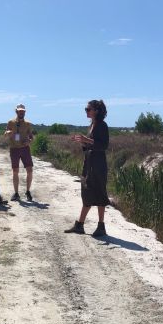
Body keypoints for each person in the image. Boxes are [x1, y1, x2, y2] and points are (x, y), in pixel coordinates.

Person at [65, 100, 110, 237]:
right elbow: (90, 145)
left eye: (88, 109)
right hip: (90, 162)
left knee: (99, 192)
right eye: (86, 109)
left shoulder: (102, 125)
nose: (86, 111)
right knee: (87, 192)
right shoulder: (92, 125)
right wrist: (82, 142)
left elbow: (103, 145)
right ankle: (80, 225)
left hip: (98, 163)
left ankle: (100, 226)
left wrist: (87, 140)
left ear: (96, 110)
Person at [5, 103, 34, 201]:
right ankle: (16, 193)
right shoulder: (11, 122)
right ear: (16, 111)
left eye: (23, 111)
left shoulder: (28, 124)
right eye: (20, 111)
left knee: (30, 171)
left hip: (25, 149)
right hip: (14, 148)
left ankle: (28, 191)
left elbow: (31, 137)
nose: (21, 112)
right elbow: (6, 133)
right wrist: (8, 133)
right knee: (15, 171)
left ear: (25, 112)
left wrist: (29, 141)